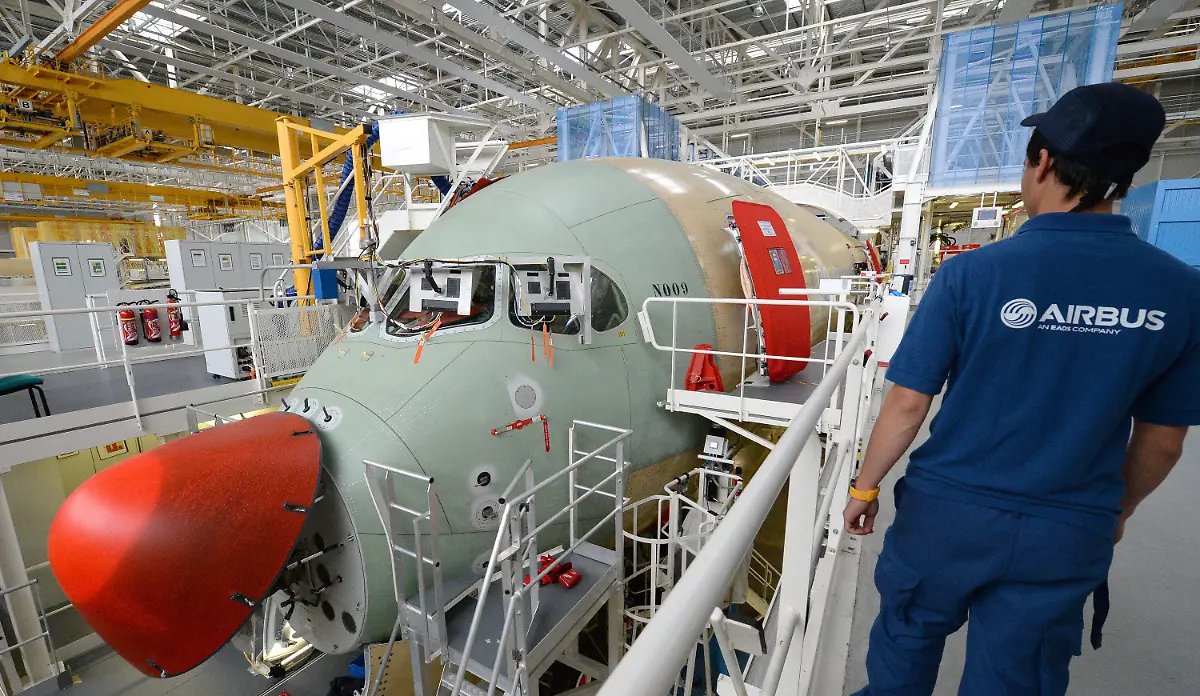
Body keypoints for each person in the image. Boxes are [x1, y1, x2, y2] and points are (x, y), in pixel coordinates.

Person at [844, 82, 1200, 696]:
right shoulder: (1181, 291)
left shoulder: (970, 275)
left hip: (947, 514)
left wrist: (864, 486)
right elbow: (1163, 441)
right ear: (1127, 175)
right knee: (1018, 675)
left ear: (1043, 162)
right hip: (1067, 526)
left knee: (905, 641)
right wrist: (1116, 510)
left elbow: (906, 403)